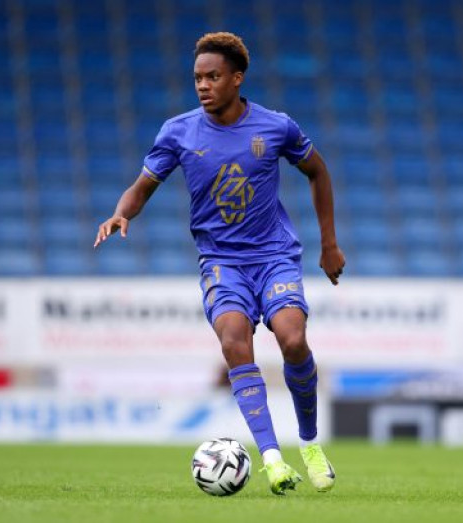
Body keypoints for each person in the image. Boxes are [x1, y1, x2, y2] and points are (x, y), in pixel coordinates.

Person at [94, 32, 345, 495]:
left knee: (292, 340)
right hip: (221, 261)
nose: (203, 86)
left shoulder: (276, 127)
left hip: (274, 255)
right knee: (234, 341)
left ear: (237, 78)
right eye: (197, 78)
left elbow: (318, 171)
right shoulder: (178, 131)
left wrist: (329, 245)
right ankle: (272, 459)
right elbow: (142, 186)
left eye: (212, 77)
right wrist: (121, 213)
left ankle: (309, 443)